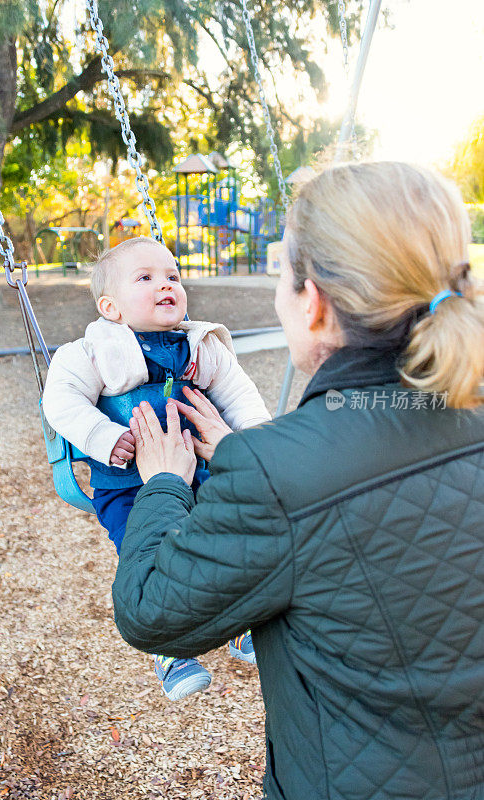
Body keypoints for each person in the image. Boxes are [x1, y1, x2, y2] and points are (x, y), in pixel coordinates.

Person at [111, 162, 484, 800]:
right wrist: (252, 462)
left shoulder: (277, 473)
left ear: (313, 303)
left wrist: (166, 484)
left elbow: (149, 611)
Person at [42, 236, 270, 701]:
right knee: (145, 551)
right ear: (111, 307)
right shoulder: (92, 351)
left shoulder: (201, 346)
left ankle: (241, 622)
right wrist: (104, 438)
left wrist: (254, 446)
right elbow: (60, 400)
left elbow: (241, 398)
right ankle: (169, 650)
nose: (165, 285)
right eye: (145, 278)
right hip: (128, 486)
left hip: (201, 473)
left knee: (229, 537)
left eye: (172, 276)